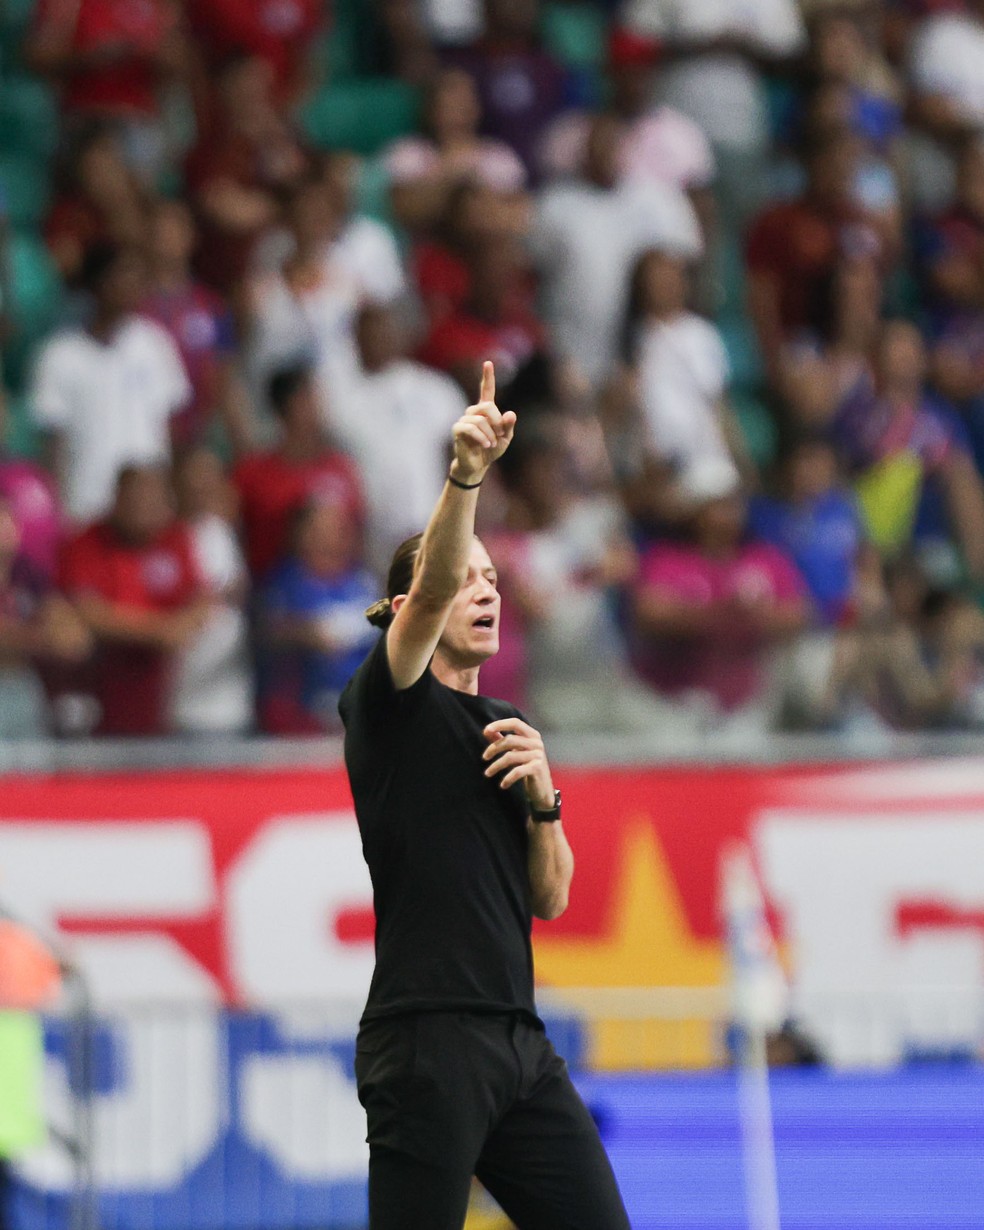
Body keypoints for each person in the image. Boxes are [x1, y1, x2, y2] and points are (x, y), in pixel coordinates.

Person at [338, 362, 630, 1229]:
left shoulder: (508, 725)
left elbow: (550, 894)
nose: (485, 589)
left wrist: (545, 800)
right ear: (404, 606)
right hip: (425, 1037)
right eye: (464, 577)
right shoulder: (389, 703)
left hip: (519, 1041)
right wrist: (466, 473)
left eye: (494, 579)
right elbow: (427, 592)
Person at [30, 242, 191, 526]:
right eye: (123, 274)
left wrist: (171, 492)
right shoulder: (60, 354)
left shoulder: (154, 343)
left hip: (148, 505)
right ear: (97, 283)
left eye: (138, 276)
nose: (134, 284)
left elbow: (171, 426)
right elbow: (53, 443)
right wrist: (57, 507)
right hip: (85, 505)